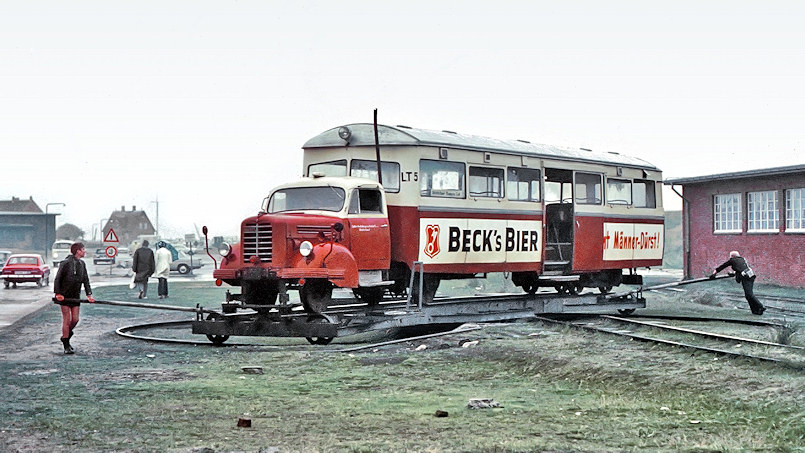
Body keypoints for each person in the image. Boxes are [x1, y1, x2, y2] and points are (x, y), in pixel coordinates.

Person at [53, 242, 95, 354]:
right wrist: (58, 293)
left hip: (75, 296)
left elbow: (85, 280)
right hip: (64, 296)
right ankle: (66, 345)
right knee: (66, 319)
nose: (84, 251)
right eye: (83, 249)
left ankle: (65, 335)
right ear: (78, 251)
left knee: (75, 319)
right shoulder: (65, 263)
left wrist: (89, 295)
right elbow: (58, 279)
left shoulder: (82, 264)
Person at [711, 251, 766, 315]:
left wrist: (714, 273)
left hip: (746, 277)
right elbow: (741, 268)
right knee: (748, 295)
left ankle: (761, 307)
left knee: (749, 294)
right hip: (750, 276)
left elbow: (722, 266)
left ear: (732, 256)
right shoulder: (743, 259)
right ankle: (755, 311)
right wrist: (733, 273)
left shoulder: (732, 260)